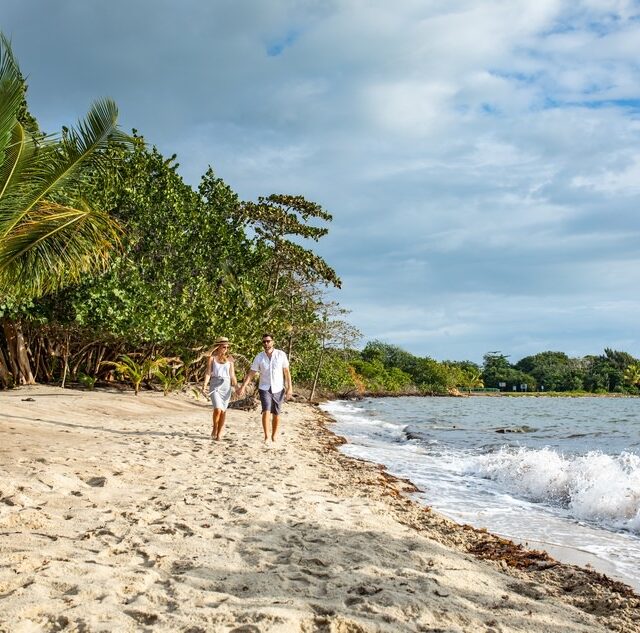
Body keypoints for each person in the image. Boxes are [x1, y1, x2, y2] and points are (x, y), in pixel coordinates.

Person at [238, 333, 292, 442]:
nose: (266, 343)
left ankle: (274, 435)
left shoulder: (281, 355)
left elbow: (286, 372)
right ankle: (267, 436)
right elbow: (252, 372)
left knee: (276, 413)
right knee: (266, 410)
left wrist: (289, 388)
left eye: (268, 341)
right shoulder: (259, 357)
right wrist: (243, 386)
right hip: (264, 388)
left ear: (273, 342)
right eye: (264, 341)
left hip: (278, 388)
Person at [202, 336, 237, 440]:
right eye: (223, 347)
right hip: (215, 384)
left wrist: (238, 387)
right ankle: (215, 427)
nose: (225, 349)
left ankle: (220, 431)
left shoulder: (230, 359)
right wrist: (204, 385)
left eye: (227, 347)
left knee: (223, 410)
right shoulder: (212, 358)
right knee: (217, 408)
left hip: (226, 385)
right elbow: (208, 372)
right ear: (218, 347)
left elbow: (232, 375)